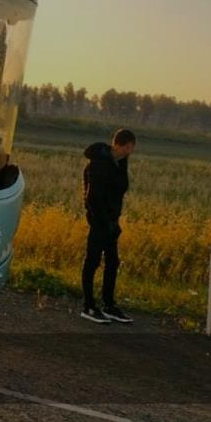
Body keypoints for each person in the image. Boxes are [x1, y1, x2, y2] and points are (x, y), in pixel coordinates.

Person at [80, 128, 136, 324]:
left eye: (131, 148)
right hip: (99, 220)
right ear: (118, 145)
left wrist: (114, 222)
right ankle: (88, 306)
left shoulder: (120, 163)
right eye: (128, 147)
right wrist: (104, 221)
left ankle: (109, 305)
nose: (130, 152)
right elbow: (92, 198)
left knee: (112, 262)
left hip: (112, 221)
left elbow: (120, 190)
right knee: (92, 261)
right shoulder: (98, 164)